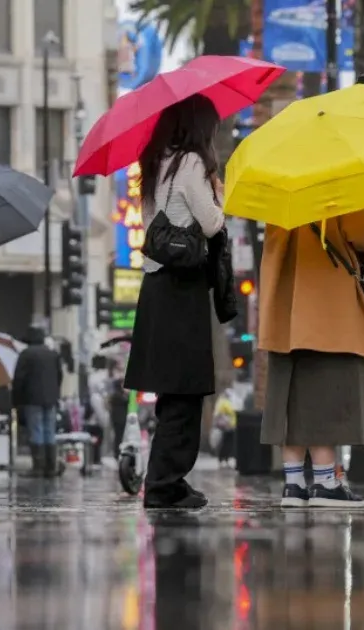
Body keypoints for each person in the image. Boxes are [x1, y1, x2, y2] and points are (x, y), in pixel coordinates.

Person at [123, 93, 225, 509]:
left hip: (157, 287)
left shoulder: (154, 163)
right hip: (183, 289)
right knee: (185, 390)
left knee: (171, 391)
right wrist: (219, 192)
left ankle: (167, 478)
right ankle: (164, 483)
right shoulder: (193, 164)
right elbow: (213, 223)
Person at [259, 208, 364, 508]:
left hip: (283, 302)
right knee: (329, 389)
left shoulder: (280, 184)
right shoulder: (346, 181)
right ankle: (325, 481)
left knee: (289, 393)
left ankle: (293, 484)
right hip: (329, 302)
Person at [12, 327, 63, 477]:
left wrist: (16, 400)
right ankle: (51, 467)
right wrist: (55, 393)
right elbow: (59, 376)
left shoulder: (26, 354)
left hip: (32, 399)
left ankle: (38, 467)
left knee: (37, 430)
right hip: (51, 399)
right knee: (49, 431)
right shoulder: (53, 354)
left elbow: (19, 380)